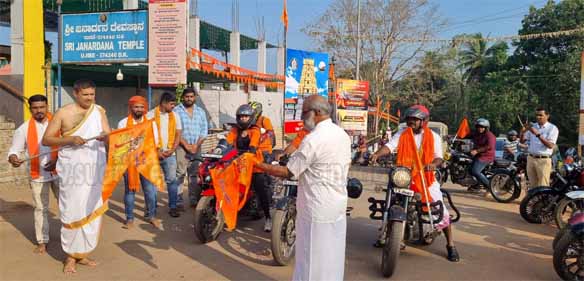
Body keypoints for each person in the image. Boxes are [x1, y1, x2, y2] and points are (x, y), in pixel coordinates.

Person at [256, 95, 352, 281]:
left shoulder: (314, 139)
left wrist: (258, 165)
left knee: (311, 261)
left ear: (316, 113)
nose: (301, 117)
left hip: (315, 209)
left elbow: (289, 172)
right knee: (332, 258)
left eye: (303, 112)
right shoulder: (342, 135)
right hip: (336, 207)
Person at [370, 105, 460, 262]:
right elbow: (389, 147)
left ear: (423, 121)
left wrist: (433, 164)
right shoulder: (402, 134)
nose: (411, 122)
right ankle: (385, 232)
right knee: (390, 199)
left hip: (426, 178)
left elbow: (439, 157)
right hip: (404, 176)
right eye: (410, 119)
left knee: (440, 209)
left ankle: (451, 245)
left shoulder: (434, 137)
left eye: (415, 119)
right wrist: (377, 153)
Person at [42, 79, 110, 274]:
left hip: (95, 168)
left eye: (92, 95)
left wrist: (104, 137)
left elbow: (109, 134)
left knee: (91, 208)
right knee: (72, 210)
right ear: (75, 93)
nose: (90, 99)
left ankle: (83, 253)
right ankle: (70, 257)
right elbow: (47, 139)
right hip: (73, 170)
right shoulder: (63, 113)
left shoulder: (99, 111)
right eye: (85, 95)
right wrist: (69, 139)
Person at [7, 94, 59, 254]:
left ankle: (70, 238)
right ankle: (42, 241)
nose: (39, 111)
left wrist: (56, 162)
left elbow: (67, 145)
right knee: (40, 208)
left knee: (66, 206)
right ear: (30, 109)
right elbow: (14, 151)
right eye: (35, 108)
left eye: (42, 107)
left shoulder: (57, 124)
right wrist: (13, 158)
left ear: (47, 106)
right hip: (38, 174)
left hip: (60, 171)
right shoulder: (23, 129)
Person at [224, 104, 273, 232]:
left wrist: (249, 153)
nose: (243, 119)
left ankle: (268, 218)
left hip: (254, 162)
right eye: (241, 116)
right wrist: (221, 149)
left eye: (246, 116)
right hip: (237, 160)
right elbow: (228, 142)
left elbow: (253, 145)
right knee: (229, 186)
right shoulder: (235, 130)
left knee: (260, 187)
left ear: (251, 117)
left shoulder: (255, 129)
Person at [117, 96, 161, 229]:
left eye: (142, 107)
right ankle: (129, 219)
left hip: (147, 162)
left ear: (145, 108)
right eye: (136, 107)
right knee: (130, 191)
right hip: (129, 162)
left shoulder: (151, 123)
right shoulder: (123, 123)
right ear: (131, 108)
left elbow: (156, 141)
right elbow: (120, 144)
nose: (139, 109)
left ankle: (151, 216)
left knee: (151, 192)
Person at [147, 92, 182, 218]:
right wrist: (157, 151)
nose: (173, 106)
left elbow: (178, 134)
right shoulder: (150, 115)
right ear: (163, 103)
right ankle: (152, 209)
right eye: (172, 104)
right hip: (153, 153)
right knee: (153, 182)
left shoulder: (175, 116)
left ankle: (173, 207)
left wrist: (172, 150)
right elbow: (147, 136)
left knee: (172, 181)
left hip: (169, 154)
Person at [174, 88, 208, 210]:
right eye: (187, 96)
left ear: (195, 97)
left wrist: (196, 146)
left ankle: (194, 199)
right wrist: (187, 145)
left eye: (191, 96)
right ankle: (178, 201)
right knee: (180, 173)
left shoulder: (201, 112)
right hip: (181, 147)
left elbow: (204, 131)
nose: (189, 99)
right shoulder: (176, 111)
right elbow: (174, 130)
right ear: (183, 97)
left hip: (197, 147)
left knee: (194, 174)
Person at [520, 107, 559, 188]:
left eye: (541, 115)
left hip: (543, 160)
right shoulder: (532, 126)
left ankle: (543, 201)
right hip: (531, 158)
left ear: (547, 116)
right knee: (533, 186)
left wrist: (537, 134)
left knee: (543, 186)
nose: (538, 117)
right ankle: (534, 201)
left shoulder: (552, 128)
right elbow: (522, 141)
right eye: (537, 115)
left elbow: (550, 145)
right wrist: (522, 132)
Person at [468, 118, 496, 192]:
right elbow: (466, 135)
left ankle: (490, 187)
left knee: (475, 171)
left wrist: (477, 151)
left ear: (486, 128)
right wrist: (452, 136)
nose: (480, 128)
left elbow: (489, 146)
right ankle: (478, 185)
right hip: (478, 155)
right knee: (469, 169)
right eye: (478, 126)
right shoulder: (477, 134)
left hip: (486, 156)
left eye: (482, 127)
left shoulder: (490, 135)